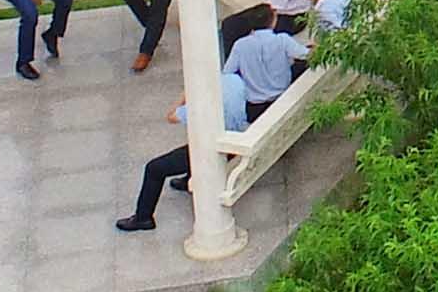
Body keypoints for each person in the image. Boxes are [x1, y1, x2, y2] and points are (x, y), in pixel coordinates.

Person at [115, 20, 310, 232]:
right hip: (235, 136)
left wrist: (184, 97)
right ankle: (189, 176)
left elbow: (171, 117)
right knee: (194, 142)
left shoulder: (201, 103)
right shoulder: (235, 84)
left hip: (216, 149)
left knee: (154, 168)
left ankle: (143, 217)